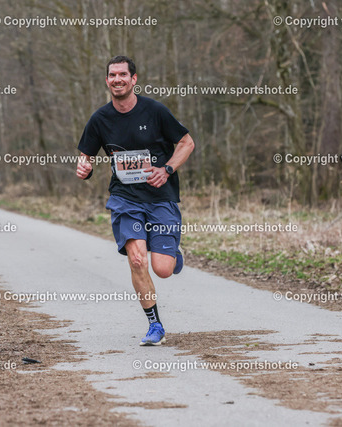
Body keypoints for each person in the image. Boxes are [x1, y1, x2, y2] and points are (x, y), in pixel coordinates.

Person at [76, 55, 195, 346]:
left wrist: (167, 170)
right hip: (125, 198)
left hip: (160, 196)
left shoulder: (155, 111)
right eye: (112, 75)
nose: (117, 80)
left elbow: (186, 142)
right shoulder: (100, 119)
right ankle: (155, 325)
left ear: (134, 79)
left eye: (122, 75)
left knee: (162, 269)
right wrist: (84, 168)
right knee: (137, 259)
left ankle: (172, 252)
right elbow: (85, 157)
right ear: (107, 80)